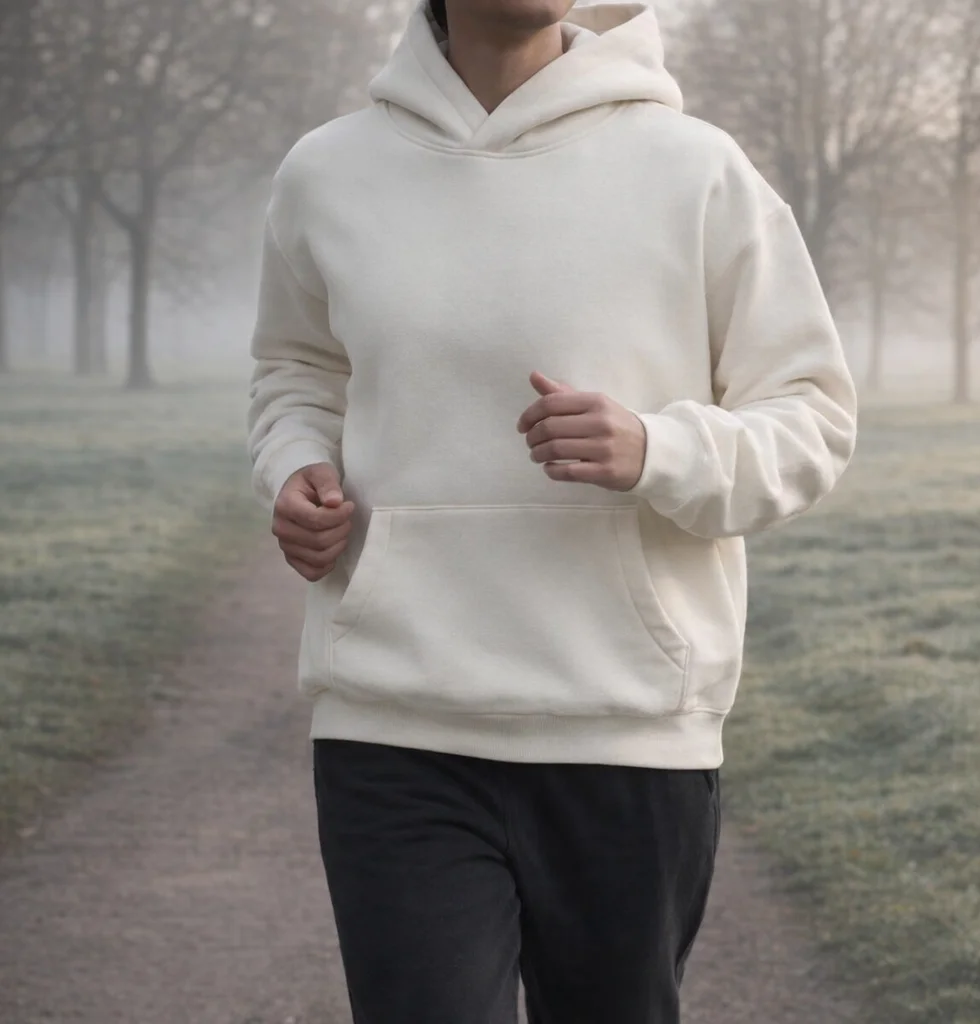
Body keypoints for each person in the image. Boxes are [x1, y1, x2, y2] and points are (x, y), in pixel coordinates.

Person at [245, 0, 858, 1020]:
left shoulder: (697, 170)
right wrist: (295, 464)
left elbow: (813, 421)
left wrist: (658, 449)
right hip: (394, 728)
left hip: (626, 734)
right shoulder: (327, 172)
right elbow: (297, 372)